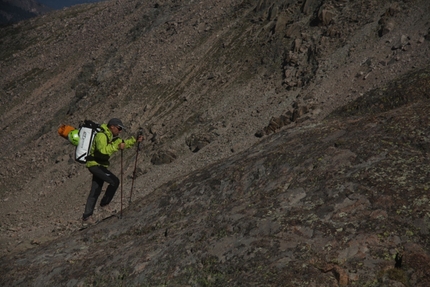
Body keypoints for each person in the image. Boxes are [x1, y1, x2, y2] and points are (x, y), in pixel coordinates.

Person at [82, 118, 143, 225]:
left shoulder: (111, 137)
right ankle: (105, 204)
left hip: (100, 165)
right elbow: (102, 150)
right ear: (112, 127)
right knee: (114, 181)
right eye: (119, 128)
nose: (120, 131)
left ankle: (87, 217)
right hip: (94, 164)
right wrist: (116, 146)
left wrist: (135, 140)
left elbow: (123, 143)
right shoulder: (101, 135)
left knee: (95, 190)